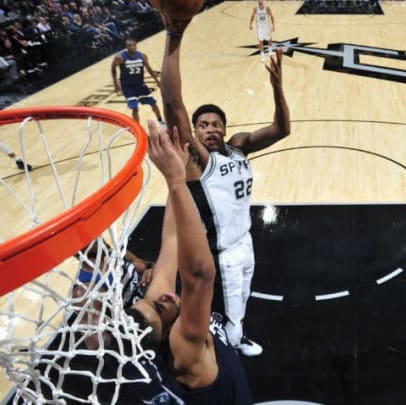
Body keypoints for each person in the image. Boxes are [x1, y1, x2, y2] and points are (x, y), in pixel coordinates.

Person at [160, 11, 290, 357]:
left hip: (244, 239)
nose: (210, 129)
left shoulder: (238, 147)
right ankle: (224, 359)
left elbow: (281, 129)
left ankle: (232, 338)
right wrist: (173, 36)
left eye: (216, 124)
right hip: (221, 250)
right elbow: (173, 105)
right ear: (195, 134)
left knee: (240, 303)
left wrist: (277, 89)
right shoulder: (201, 159)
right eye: (203, 125)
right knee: (228, 318)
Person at [122, 120, 253, 403]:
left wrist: (176, 181)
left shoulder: (159, 317)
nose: (165, 297)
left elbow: (171, 241)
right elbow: (200, 276)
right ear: (167, 331)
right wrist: (176, 181)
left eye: (152, 300)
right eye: (160, 307)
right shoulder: (184, 348)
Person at [111, 38, 163, 123]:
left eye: (133, 45)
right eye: (129, 46)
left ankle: (161, 121)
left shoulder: (142, 56)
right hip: (128, 87)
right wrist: (115, 83)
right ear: (126, 47)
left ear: (136, 45)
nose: (132, 47)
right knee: (135, 108)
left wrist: (157, 81)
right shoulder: (120, 57)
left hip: (140, 84)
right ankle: (138, 127)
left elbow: (149, 69)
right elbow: (113, 68)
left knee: (153, 104)